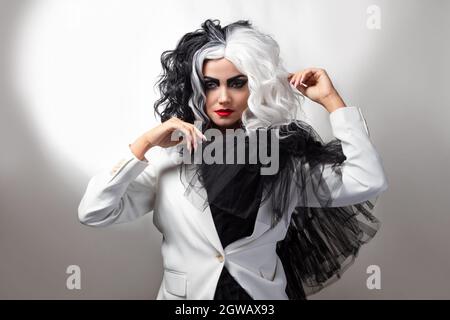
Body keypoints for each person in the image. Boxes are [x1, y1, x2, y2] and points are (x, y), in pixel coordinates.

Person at [78, 19, 388, 300]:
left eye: (237, 83)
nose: (223, 97)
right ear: (195, 89)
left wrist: (332, 101)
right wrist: (142, 145)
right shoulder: (170, 158)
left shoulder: (283, 158)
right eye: (211, 84)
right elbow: (93, 212)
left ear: (256, 85)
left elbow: (367, 180)